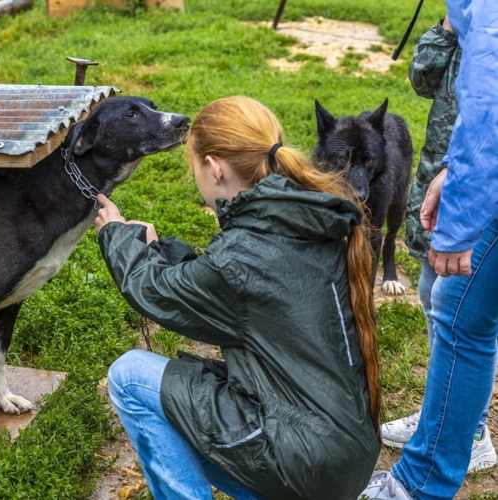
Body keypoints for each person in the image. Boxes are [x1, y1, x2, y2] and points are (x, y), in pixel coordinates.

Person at [95, 95, 381, 500]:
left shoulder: (245, 249)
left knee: (130, 376)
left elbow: (159, 292)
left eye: (194, 169)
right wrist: (158, 249)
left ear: (214, 168)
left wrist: (118, 235)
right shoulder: (307, 214)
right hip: (344, 460)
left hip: (308, 463)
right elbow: (227, 289)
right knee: (184, 405)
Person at [359, 1, 498, 499]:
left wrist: (460, 218)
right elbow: (425, 78)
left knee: (461, 319)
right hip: (461, 171)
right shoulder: (468, 16)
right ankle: (448, 414)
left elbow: (487, 114)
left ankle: (424, 478)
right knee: (447, 306)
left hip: (480, 185)